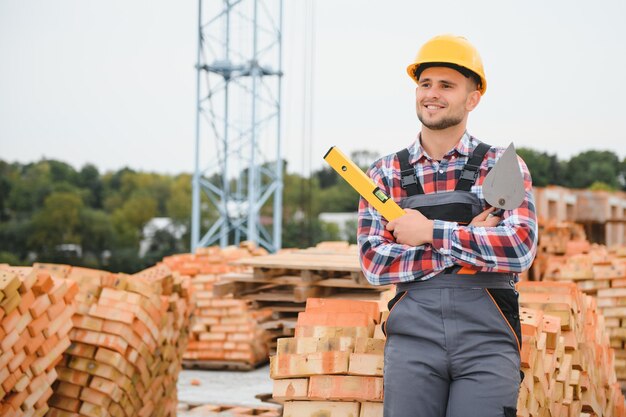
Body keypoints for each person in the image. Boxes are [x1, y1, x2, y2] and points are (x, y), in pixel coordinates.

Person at [357, 34, 538, 417]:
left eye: (446, 85)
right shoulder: (384, 173)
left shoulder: (500, 166)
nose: (432, 94)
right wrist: (468, 239)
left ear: (472, 98)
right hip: (412, 342)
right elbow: (375, 263)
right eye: (425, 84)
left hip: (486, 343)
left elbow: (518, 247)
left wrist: (428, 233)